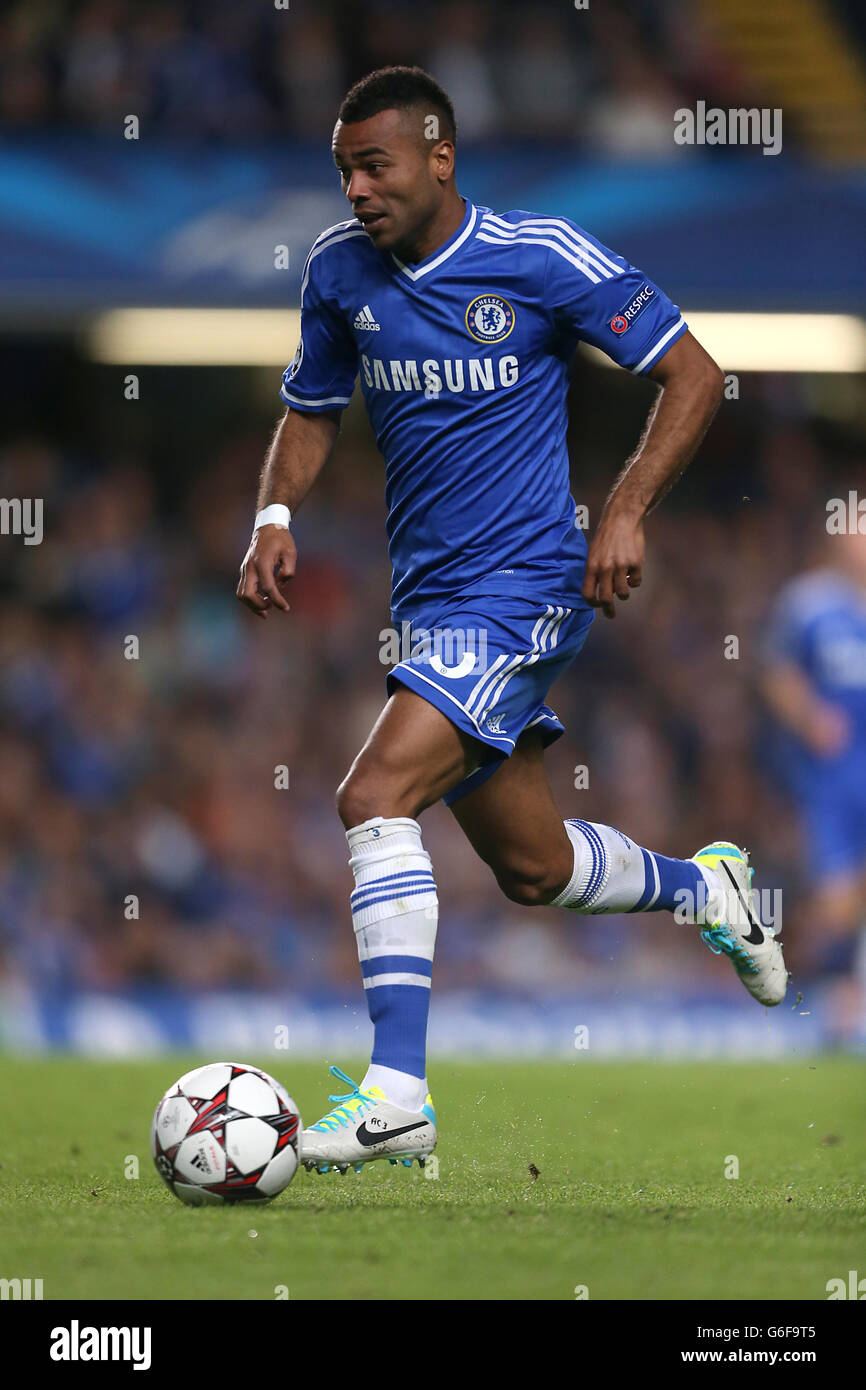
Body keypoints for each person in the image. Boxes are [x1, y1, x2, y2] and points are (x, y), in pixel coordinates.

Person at [237, 66, 787, 1175]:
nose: (355, 189)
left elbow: (692, 372)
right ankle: (708, 887)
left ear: (439, 157)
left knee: (371, 796)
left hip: (529, 584)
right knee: (533, 869)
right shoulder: (338, 272)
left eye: (374, 166)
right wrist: (274, 514)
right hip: (429, 604)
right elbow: (311, 407)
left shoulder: (538, 257)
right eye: (344, 171)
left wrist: (624, 508)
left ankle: (397, 1095)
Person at [761, 526, 866, 1037]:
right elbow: (776, 672)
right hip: (835, 776)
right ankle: (813, 994)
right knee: (837, 897)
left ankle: (846, 997)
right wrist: (809, 718)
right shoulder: (808, 603)